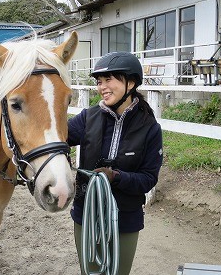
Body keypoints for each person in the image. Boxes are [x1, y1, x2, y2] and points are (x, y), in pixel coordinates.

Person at [68, 51, 163, 275]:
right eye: (100, 82)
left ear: (130, 83)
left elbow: (149, 178)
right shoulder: (87, 117)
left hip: (125, 218)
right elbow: (58, 138)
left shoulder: (149, 128)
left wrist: (117, 177)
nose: (102, 87)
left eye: (109, 79)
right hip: (87, 215)